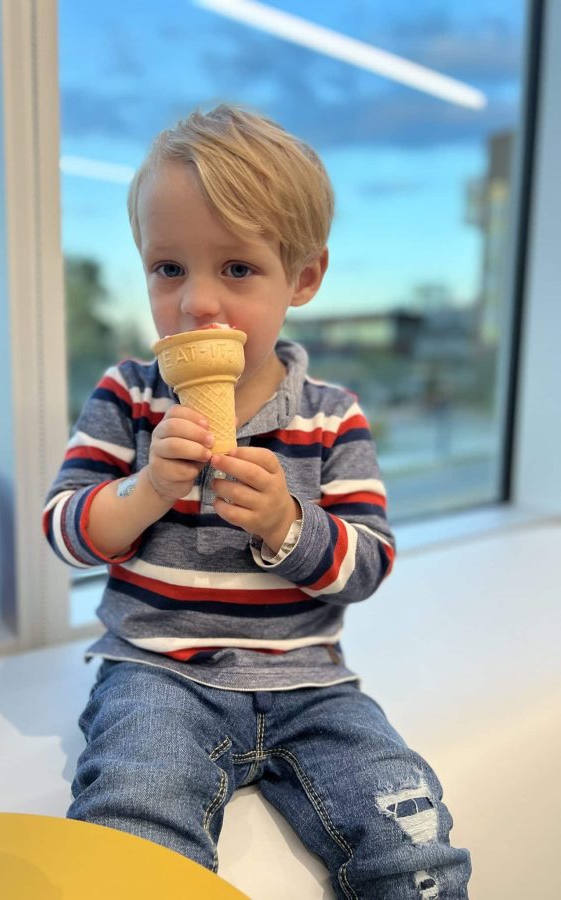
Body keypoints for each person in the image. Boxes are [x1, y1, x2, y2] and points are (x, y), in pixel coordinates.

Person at [43, 104, 471, 898]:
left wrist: (286, 525)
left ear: (302, 278)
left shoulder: (331, 415)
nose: (196, 303)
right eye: (168, 269)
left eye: (235, 269)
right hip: (156, 672)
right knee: (131, 827)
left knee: (410, 836)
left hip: (309, 683)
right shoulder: (129, 397)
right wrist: (144, 491)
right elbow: (64, 529)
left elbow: (366, 563)